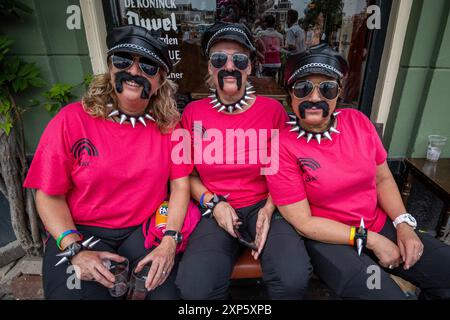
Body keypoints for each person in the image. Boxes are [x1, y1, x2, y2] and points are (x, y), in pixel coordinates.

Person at [266, 43, 450, 299]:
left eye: (327, 88)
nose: (316, 98)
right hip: (329, 238)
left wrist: (404, 225)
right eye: (303, 88)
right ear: (290, 95)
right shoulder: (279, 146)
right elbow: (304, 223)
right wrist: (372, 239)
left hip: (377, 222)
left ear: (339, 92)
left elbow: (383, 178)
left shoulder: (358, 122)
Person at [23, 25, 193, 300]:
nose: (135, 72)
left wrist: (170, 241)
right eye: (123, 60)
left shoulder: (171, 127)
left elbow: (180, 186)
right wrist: (75, 249)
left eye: (148, 66)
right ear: (110, 68)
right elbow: (48, 195)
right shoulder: (71, 120)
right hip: (80, 230)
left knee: (170, 295)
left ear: (161, 80)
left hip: (143, 230)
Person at [176, 21, 312, 299]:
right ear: (209, 68)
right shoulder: (191, 113)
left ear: (249, 67)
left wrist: (270, 208)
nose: (229, 66)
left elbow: (287, 169)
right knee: (195, 286)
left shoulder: (273, 111)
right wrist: (213, 204)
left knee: (293, 277)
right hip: (216, 206)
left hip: (266, 204)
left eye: (239, 59)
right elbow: (185, 175)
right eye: (219, 59)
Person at [257, 14, 284, 79]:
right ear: (274, 24)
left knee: (264, 80)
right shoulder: (280, 36)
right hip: (276, 63)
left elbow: (257, 48)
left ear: (265, 23)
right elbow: (281, 50)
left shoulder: (260, 34)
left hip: (265, 63)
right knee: (274, 79)